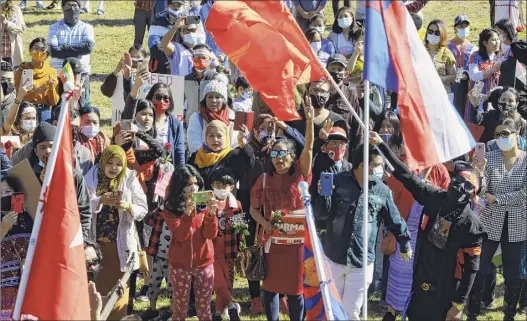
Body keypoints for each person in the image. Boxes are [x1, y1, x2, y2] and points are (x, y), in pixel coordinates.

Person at [372, 131, 487, 321]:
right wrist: (381, 145)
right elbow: (407, 176)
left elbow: (471, 269)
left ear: (473, 195)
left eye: (468, 186)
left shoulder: (472, 226)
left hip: (447, 289)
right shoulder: (435, 198)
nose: (460, 186)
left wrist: (458, 305)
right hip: (420, 281)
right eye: (459, 180)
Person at [315, 143, 411, 320]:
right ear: (362, 166)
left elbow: (394, 219)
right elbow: (321, 215)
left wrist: (404, 242)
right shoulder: (337, 181)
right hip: (334, 259)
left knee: (351, 312)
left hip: (361, 262)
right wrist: (323, 196)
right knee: (330, 310)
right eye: (377, 165)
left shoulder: (382, 191)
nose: (381, 169)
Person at [249, 102, 315, 321]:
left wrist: (309, 123)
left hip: (297, 245)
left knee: (296, 289)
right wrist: (265, 223)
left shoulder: (300, 176)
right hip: (272, 243)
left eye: (283, 153)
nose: (278, 158)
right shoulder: (264, 179)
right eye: (275, 154)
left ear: (292, 157)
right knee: (270, 288)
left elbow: (309, 148)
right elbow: (253, 209)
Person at [467, 118, 527, 321]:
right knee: (481, 268)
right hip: (490, 222)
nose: (501, 138)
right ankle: (473, 311)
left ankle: (509, 313)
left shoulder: (526, 160)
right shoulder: (490, 158)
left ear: (516, 134)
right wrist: (480, 172)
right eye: (497, 135)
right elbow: (482, 191)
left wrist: (498, 199)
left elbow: (524, 193)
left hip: (517, 224)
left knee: (513, 273)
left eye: (505, 134)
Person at [84, 145, 148, 320]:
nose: (113, 167)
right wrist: (100, 200)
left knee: (119, 291)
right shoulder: (91, 176)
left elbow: (143, 209)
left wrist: (127, 206)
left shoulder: (129, 178)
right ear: (103, 162)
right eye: (110, 163)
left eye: (119, 164)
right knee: (96, 289)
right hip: (96, 246)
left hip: (121, 245)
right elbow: (81, 204)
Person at [384, 159, 451, 321]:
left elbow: (447, 199)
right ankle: (392, 312)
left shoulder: (440, 169)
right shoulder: (406, 165)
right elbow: (391, 194)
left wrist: (429, 189)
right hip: (404, 233)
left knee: (419, 278)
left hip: (427, 236)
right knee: (399, 276)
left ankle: (413, 312)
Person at [160, 164, 219, 321]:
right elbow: (181, 235)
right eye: (188, 185)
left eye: (195, 183)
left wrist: (212, 214)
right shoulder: (170, 207)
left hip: (204, 263)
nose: (193, 188)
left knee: (204, 309)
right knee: (180, 309)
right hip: (180, 265)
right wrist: (187, 214)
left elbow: (210, 234)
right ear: (180, 187)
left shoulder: (203, 204)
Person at [123, 76, 186, 167]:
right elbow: (129, 104)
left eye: (166, 98)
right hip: (140, 169)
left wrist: (181, 174)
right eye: (158, 97)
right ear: (151, 98)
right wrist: (129, 80)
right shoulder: (140, 121)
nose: (161, 101)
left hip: (165, 173)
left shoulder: (175, 123)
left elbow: (179, 152)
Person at [209, 170, 242, 321]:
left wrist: (240, 249)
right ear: (212, 185)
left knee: (227, 282)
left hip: (229, 248)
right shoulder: (207, 203)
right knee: (218, 282)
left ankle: (217, 314)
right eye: (217, 185)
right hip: (211, 249)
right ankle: (231, 306)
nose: (221, 188)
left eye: (225, 185)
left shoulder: (236, 205)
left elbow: (241, 229)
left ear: (232, 187)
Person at [188, 119, 254, 189]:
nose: (215, 139)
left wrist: (242, 141)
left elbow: (249, 162)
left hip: (225, 199)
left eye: (219, 136)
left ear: (226, 137)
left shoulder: (232, 156)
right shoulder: (197, 156)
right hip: (201, 199)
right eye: (211, 136)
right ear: (206, 138)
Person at [0, 174, 34, 311]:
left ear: (17, 192)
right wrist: (4, 226)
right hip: (5, 286)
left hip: (30, 282)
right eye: (0, 193)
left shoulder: (30, 216)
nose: (3, 196)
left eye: (8, 192)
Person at [287, 79, 347, 157]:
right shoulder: (294, 116)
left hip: (324, 168)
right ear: (307, 93)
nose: (318, 94)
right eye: (314, 90)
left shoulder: (338, 121)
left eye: (322, 91)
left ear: (328, 95)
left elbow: (342, 151)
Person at [310, 126, 352, 230]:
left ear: (346, 146)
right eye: (333, 142)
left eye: (341, 144)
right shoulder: (318, 161)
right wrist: (319, 140)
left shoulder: (349, 167)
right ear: (326, 145)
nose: (337, 146)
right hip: (320, 219)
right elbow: (309, 154)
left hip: (341, 222)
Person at [466, 29, 502, 139]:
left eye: (498, 39)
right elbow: (474, 76)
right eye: (494, 40)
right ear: (485, 43)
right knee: (477, 123)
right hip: (478, 94)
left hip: (493, 95)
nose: (497, 42)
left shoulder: (499, 56)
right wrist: (493, 69)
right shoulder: (475, 56)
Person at [187, 79, 238, 155]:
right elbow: (194, 146)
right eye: (210, 97)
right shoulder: (197, 118)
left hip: (227, 162)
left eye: (217, 97)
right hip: (203, 162)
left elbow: (235, 144)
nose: (213, 100)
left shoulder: (231, 118)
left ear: (224, 100)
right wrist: (211, 159)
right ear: (205, 99)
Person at [47, 0, 95, 74]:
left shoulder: (87, 27)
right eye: (68, 5)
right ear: (63, 8)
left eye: (74, 5)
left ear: (79, 8)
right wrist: (77, 53)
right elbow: (52, 50)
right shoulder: (54, 27)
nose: (72, 8)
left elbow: (88, 48)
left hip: (81, 71)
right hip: (58, 72)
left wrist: (64, 48)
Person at [183, 44, 224, 125]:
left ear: (209, 60)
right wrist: (184, 115)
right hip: (191, 124)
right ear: (192, 59)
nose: (201, 60)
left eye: (204, 58)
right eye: (198, 57)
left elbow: (227, 102)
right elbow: (179, 102)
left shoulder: (216, 78)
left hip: (211, 124)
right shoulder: (186, 79)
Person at [14, 38, 59, 107]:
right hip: (26, 108)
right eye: (35, 48)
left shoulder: (51, 72)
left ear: (47, 56)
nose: (38, 52)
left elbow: (54, 102)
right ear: (30, 51)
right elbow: (18, 97)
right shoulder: (22, 71)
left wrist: (51, 88)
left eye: (42, 50)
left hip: (44, 109)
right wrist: (35, 92)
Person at [447, 15, 478, 116]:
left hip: (466, 85)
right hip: (450, 84)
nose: (463, 29)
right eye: (460, 26)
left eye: (466, 26)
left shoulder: (474, 49)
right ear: (455, 28)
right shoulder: (447, 47)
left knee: (464, 112)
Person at [424, 19, 456, 98]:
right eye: (430, 31)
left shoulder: (447, 53)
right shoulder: (419, 50)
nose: (433, 34)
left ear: (442, 35)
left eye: (437, 33)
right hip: (422, 94)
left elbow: (453, 76)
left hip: (441, 95)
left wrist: (439, 79)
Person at [0, 0, 26, 69]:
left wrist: (7, 23)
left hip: (12, 55)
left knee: (13, 78)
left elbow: (22, 28)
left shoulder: (15, 9)